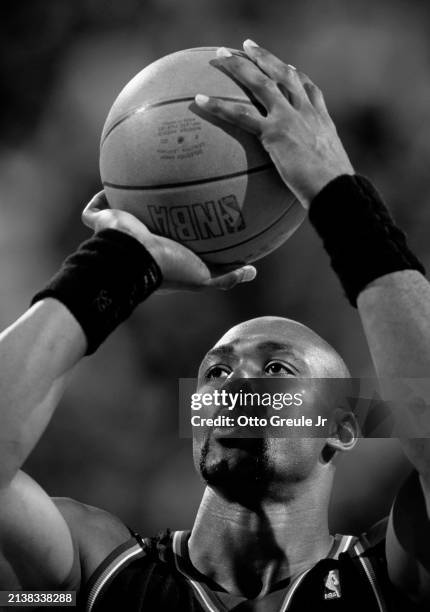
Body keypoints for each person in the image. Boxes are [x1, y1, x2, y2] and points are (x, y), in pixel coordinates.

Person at [0, 40, 429, 611]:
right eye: (215, 372)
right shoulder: (92, 569)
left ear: (344, 425)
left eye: (276, 367)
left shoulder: (391, 581)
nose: (234, 385)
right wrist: (119, 262)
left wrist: (336, 193)